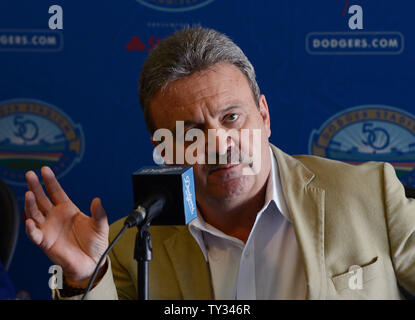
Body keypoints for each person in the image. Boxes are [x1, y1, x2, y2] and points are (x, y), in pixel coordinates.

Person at [24, 27, 415, 300]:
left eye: (231, 117)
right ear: (166, 148)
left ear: (264, 115)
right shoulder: (125, 247)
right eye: (191, 130)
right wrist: (83, 278)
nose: (218, 144)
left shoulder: (371, 194)